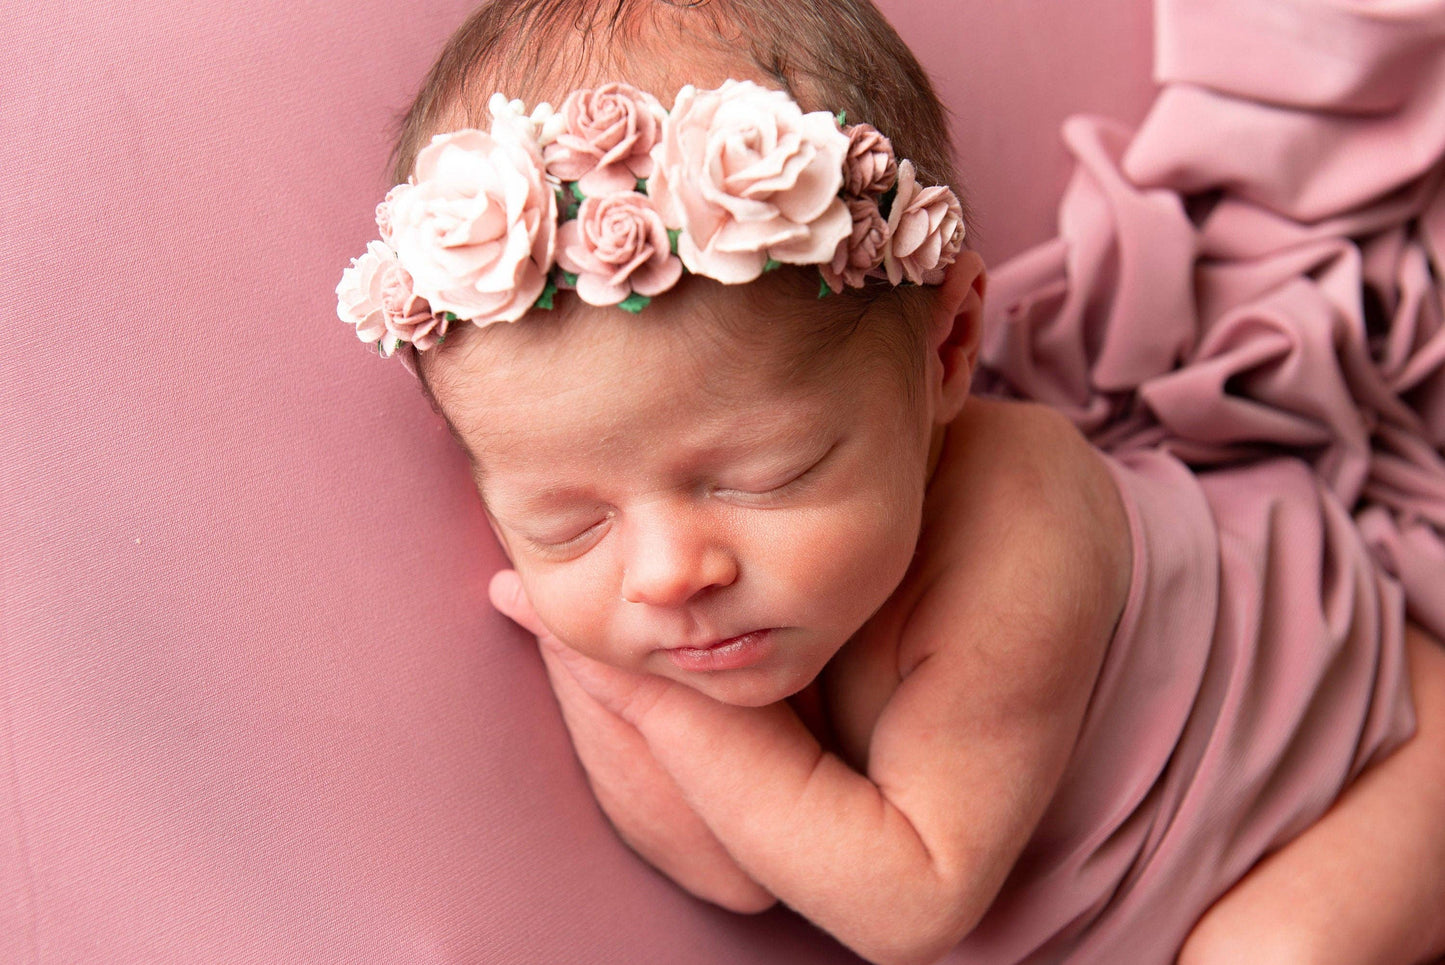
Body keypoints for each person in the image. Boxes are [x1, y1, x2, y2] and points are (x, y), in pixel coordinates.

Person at [336, 2, 1445, 962]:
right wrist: (600, 659)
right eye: (566, 523)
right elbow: (733, 870)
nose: (670, 571)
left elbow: (910, 896)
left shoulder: (1019, 522)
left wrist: (628, 680)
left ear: (948, 349)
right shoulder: (731, 591)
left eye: (766, 476)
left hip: (1378, 751)